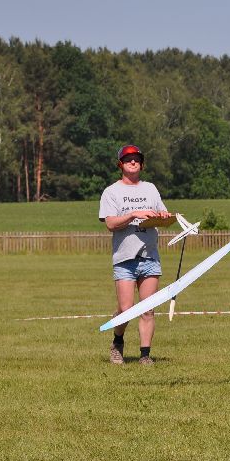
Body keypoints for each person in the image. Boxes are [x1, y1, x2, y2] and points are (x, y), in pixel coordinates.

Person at [98, 145, 172, 365]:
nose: (133, 162)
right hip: (125, 258)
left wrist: (164, 216)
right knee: (126, 309)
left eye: (137, 159)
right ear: (120, 164)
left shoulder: (150, 189)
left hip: (150, 256)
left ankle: (145, 355)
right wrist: (133, 215)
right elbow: (110, 224)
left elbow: (160, 213)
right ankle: (117, 341)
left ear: (142, 164)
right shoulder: (111, 192)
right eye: (128, 159)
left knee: (148, 309)